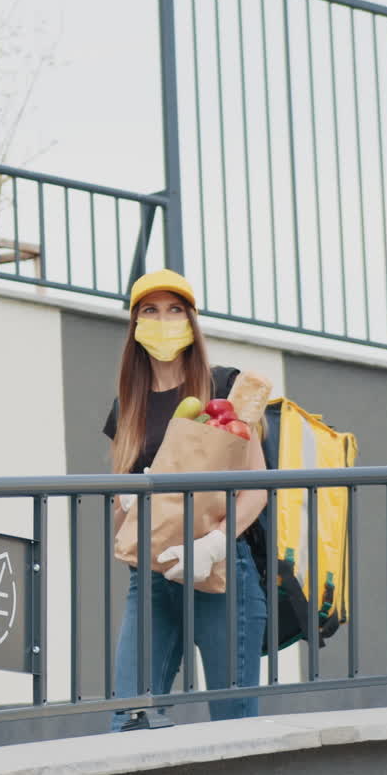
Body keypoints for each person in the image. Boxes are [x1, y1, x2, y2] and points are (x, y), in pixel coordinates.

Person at [103, 268, 268, 730]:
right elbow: (119, 510)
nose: (164, 319)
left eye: (175, 310)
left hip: (220, 568)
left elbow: (257, 484)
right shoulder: (127, 408)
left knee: (234, 723)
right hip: (152, 574)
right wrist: (130, 502)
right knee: (129, 717)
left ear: (192, 321)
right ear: (135, 327)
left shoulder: (224, 387)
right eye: (151, 311)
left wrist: (214, 544)